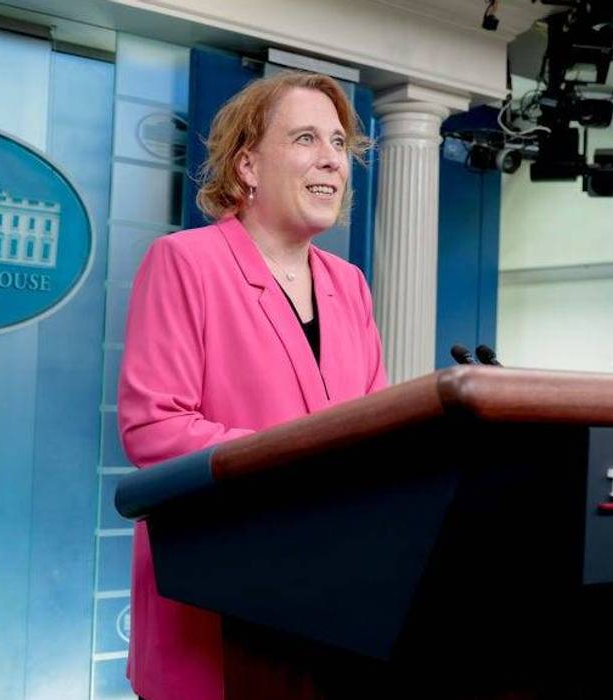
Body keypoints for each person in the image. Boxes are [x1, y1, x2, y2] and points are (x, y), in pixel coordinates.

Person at [116, 71, 389, 700]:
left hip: (329, 602)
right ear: (247, 166)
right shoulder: (186, 262)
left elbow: (376, 429)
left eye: (339, 144)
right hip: (215, 597)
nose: (331, 159)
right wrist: (305, 464)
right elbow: (154, 428)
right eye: (305, 139)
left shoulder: (350, 285)